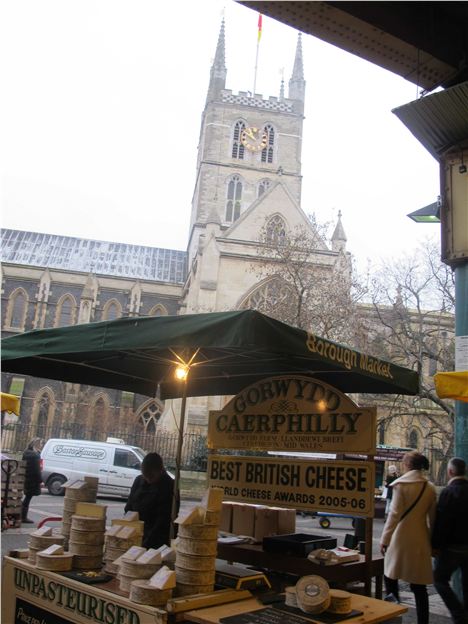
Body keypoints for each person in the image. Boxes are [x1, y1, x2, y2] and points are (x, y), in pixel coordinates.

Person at [380, 451, 436, 624]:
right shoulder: (430, 487)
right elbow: (433, 519)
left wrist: (384, 539)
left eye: (404, 461)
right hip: (420, 538)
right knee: (419, 586)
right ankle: (423, 621)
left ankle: (393, 616)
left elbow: (394, 515)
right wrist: (433, 543)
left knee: (390, 577)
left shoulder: (401, 485)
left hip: (399, 538)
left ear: (409, 465)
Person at [432, 457, 468, 624]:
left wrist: (435, 546)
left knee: (439, 579)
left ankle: (459, 614)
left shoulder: (448, 492)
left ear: (450, 472)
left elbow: (442, 523)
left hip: (451, 547)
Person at [124, 452, 176, 549]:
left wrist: (147, 542)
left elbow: (163, 519)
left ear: (160, 471)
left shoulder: (169, 486)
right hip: (135, 535)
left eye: (151, 476)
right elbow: (128, 507)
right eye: (145, 476)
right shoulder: (138, 480)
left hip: (156, 541)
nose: (148, 479)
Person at [21, 438, 43, 524]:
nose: (41, 445)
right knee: (28, 497)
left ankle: (22, 515)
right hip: (32, 480)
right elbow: (37, 470)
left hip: (27, 478)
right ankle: (23, 517)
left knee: (27, 497)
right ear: (36, 445)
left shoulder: (26, 453)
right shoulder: (35, 455)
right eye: (40, 444)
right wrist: (40, 480)